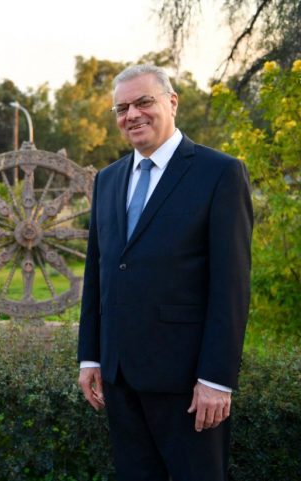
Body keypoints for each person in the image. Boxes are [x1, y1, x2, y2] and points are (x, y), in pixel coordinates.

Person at [77, 64, 253, 481]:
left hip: (188, 382)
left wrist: (216, 379)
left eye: (143, 102)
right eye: (122, 108)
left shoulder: (220, 173)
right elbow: (98, 275)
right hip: (120, 379)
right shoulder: (108, 179)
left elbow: (231, 287)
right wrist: (90, 356)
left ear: (171, 102)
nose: (132, 115)